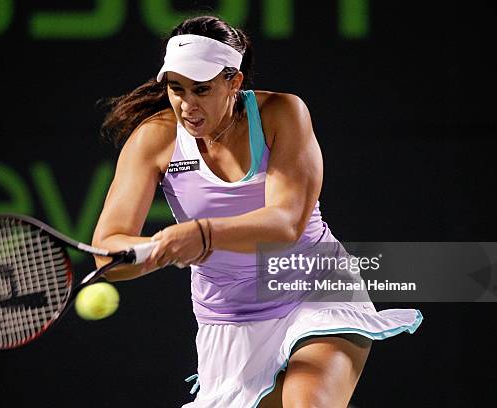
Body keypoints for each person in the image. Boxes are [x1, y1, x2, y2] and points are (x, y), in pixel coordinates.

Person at [93, 15, 423, 408]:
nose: (187, 105)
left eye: (201, 89)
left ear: (233, 81)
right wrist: (152, 254)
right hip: (230, 321)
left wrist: (201, 235)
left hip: (316, 288)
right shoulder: (153, 139)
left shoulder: (282, 112)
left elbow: (286, 222)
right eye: (176, 89)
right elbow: (106, 252)